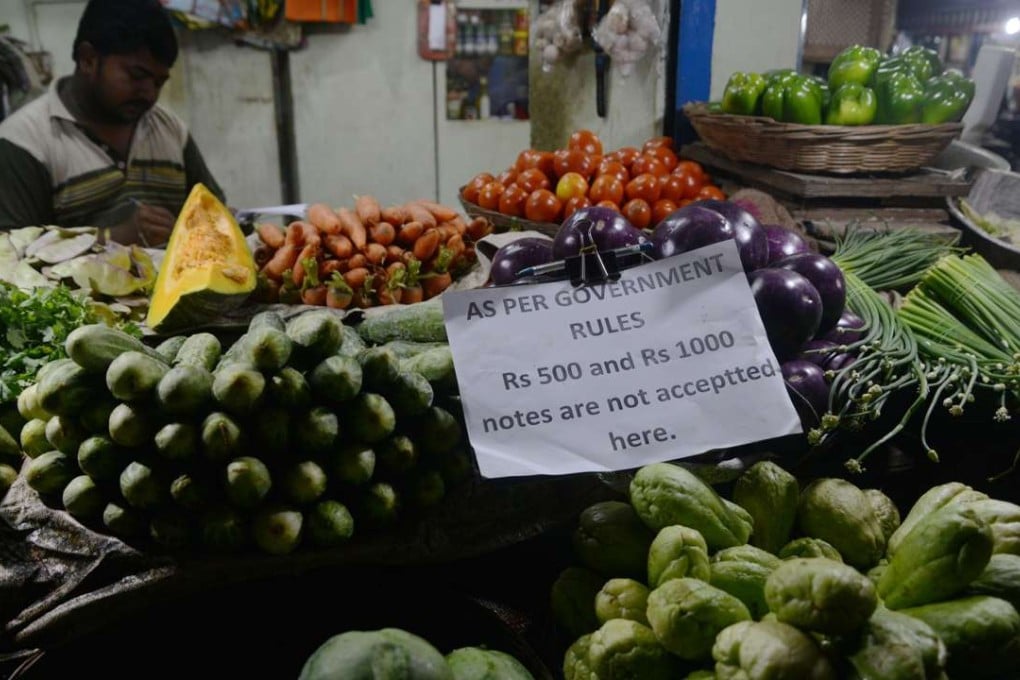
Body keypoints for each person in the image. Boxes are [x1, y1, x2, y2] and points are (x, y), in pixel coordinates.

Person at [0, 0, 223, 245]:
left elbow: (214, 213)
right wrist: (110, 238)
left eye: (159, 82)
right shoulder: (23, 143)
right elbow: (9, 256)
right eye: (137, 76)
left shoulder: (170, 129)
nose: (149, 93)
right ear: (88, 60)